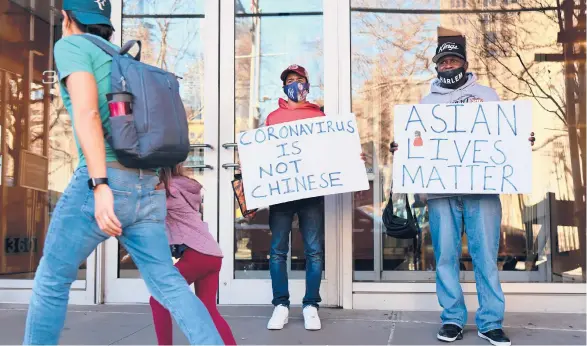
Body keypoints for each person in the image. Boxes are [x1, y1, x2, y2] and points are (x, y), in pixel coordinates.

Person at [23, 1, 223, 344]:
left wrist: (100, 186)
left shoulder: (70, 45)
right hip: (148, 187)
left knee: (52, 278)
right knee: (169, 284)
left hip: (107, 180)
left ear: (67, 18)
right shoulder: (123, 58)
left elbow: (88, 114)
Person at [390, 40, 535, 346]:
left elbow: (503, 134)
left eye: (453, 61)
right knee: (445, 256)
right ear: (437, 66)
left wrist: (520, 138)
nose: (448, 66)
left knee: (485, 256)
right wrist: (402, 149)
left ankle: (491, 321)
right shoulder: (426, 104)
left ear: (464, 64)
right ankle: (452, 318)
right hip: (442, 194)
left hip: (481, 191)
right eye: (443, 62)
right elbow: (418, 141)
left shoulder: (487, 96)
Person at [264, 64, 326, 331]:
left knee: (314, 250)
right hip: (281, 192)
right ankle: (281, 305)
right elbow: (263, 153)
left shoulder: (320, 116)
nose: (295, 84)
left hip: (311, 192)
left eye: (299, 79)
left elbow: (331, 150)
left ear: (307, 85)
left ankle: (311, 305)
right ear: (284, 87)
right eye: (290, 80)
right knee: (278, 250)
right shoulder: (273, 117)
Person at [149, 165, 237, 345]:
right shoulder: (183, 185)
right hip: (211, 254)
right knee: (208, 310)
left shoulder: (167, 191)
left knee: (158, 299)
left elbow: (144, 211)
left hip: (197, 255)